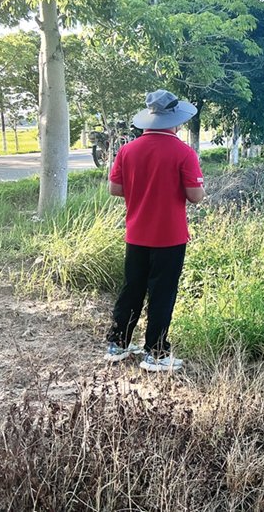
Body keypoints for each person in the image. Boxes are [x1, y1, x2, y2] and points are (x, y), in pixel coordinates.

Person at [103, 90, 205, 372]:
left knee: (132, 288)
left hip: (136, 233)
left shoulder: (128, 150)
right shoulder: (184, 152)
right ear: (176, 121)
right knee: (162, 293)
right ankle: (156, 354)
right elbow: (195, 196)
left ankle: (118, 344)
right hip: (169, 236)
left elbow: (114, 189)